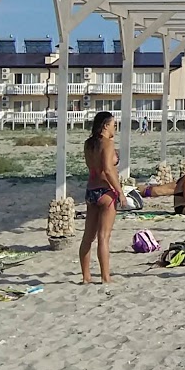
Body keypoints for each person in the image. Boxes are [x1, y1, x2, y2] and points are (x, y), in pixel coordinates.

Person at [79, 111, 121, 284]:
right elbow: (108, 170)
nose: (115, 128)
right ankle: (105, 277)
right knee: (103, 237)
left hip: (91, 190)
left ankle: (86, 276)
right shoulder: (107, 143)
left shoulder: (88, 144)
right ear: (105, 126)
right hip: (105, 191)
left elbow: (93, 167)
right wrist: (120, 192)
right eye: (113, 124)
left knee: (88, 237)